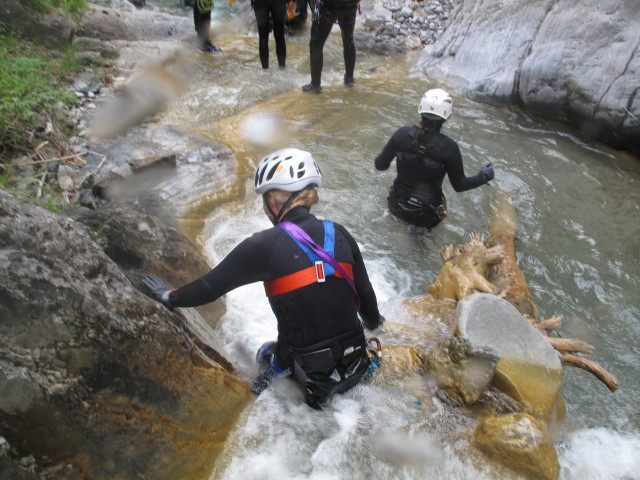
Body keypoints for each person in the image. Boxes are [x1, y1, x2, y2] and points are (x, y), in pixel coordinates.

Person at [143, 148, 384, 409]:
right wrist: (375, 325)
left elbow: (209, 288)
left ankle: (263, 386)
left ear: (273, 199)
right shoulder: (339, 233)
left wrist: (169, 296)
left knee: (266, 353)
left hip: (309, 385)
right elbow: (367, 301)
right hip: (355, 367)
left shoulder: (264, 245)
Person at [374, 88, 495, 229]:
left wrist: (394, 151)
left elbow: (380, 165)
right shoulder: (449, 147)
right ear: (446, 116)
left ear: (421, 110)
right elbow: (460, 185)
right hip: (426, 215)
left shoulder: (402, 135)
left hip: (396, 205)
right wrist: (484, 176)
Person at [302, 0, 360, 94]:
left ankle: (315, 85)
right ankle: (349, 80)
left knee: (316, 44)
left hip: (329, 7)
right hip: (351, 6)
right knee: (348, 39)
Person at [252, 0, 287, 69]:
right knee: (280, 35)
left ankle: (265, 70)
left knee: (263, 37)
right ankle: (282, 68)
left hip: (260, 3)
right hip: (278, 3)